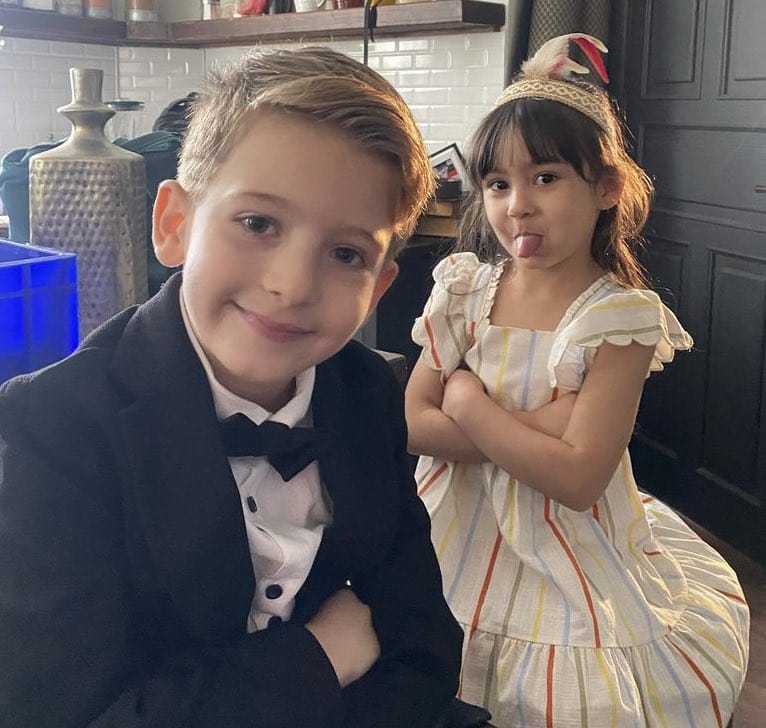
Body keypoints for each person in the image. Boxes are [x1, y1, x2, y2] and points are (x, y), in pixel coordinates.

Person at [0, 47, 464, 728]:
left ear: (379, 289)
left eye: (346, 254)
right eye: (258, 223)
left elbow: (423, 646)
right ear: (174, 225)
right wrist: (319, 657)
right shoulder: (54, 426)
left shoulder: (366, 389)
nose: (292, 286)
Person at [405, 34, 749, 728]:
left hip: (563, 545)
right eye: (497, 184)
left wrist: (466, 399)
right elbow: (411, 421)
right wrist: (539, 427)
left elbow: (578, 478)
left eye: (546, 178)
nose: (517, 206)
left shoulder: (618, 320)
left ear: (607, 188)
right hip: (449, 530)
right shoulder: (465, 291)